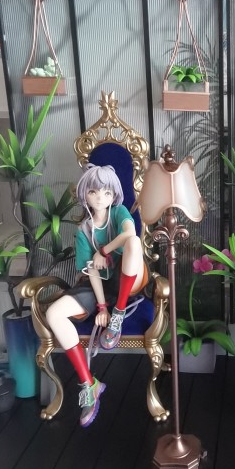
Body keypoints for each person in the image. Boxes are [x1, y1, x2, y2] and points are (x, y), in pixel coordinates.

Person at [45, 164, 146, 426]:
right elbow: (91, 271)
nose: (100, 197)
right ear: (84, 194)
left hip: (127, 280)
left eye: (106, 192)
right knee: (53, 313)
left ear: (114, 195)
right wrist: (101, 307)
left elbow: (130, 233)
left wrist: (104, 251)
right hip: (96, 285)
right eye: (93, 191)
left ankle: (118, 315)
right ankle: (89, 384)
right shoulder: (84, 230)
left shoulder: (119, 213)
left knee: (134, 242)